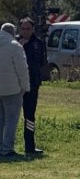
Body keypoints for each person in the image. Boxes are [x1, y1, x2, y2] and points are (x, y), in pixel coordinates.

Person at [16, 18, 47, 155]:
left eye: (28, 29)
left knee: (29, 116)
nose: (25, 31)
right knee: (10, 116)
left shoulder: (38, 43)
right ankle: (6, 146)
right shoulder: (14, 43)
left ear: (33, 29)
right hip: (15, 85)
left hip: (32, 84)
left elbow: (40, 61)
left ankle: (30, 146)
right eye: (23, 29)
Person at [0, 23, 29, 158]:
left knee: (0, 119)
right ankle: (7, 149)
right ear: (13, 32)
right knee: (11, 119)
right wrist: (25, 86)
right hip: (12, 89)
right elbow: (22, 69)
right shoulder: (15, 46)